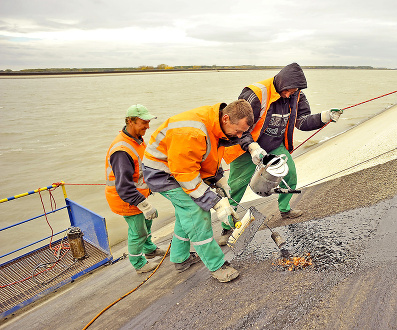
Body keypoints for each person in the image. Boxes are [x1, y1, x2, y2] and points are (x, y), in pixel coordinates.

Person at [220, 63, 343, 245]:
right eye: (287, 90)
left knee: (290, 173)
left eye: (294, 91)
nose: (289, 94)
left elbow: (301, 122)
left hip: (273, 144)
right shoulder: (256, 93)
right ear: (280, 82)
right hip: (245, 146)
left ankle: (285, 209)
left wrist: (324, 117)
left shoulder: (297, 95)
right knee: (236, 186)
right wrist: (252, 148)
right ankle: (228, 226)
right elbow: (238, 127)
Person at [143, 100, 254, 283]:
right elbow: (186, 176)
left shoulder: (215, 124)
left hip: (180, 168)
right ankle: (217, 265)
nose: (240, 136)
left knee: (184, 213)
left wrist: (219, 178)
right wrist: (216, 202)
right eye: (238, 130)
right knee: (195, 212)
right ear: (226, 118)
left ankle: (180, 259)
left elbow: (206, 155)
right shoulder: (192, 132)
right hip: (163, 173)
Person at [105, 104, 168, 274]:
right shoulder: (121, 150)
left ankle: (149, 249)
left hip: (137, 195)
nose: (148, 126)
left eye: (148, 122)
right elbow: (124, 187)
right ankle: (138, 263)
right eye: (143, 123)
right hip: (126, 198)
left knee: (147, 224)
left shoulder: (136, 140)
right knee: (137, 231)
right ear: (130, 121)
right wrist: (144, 205)